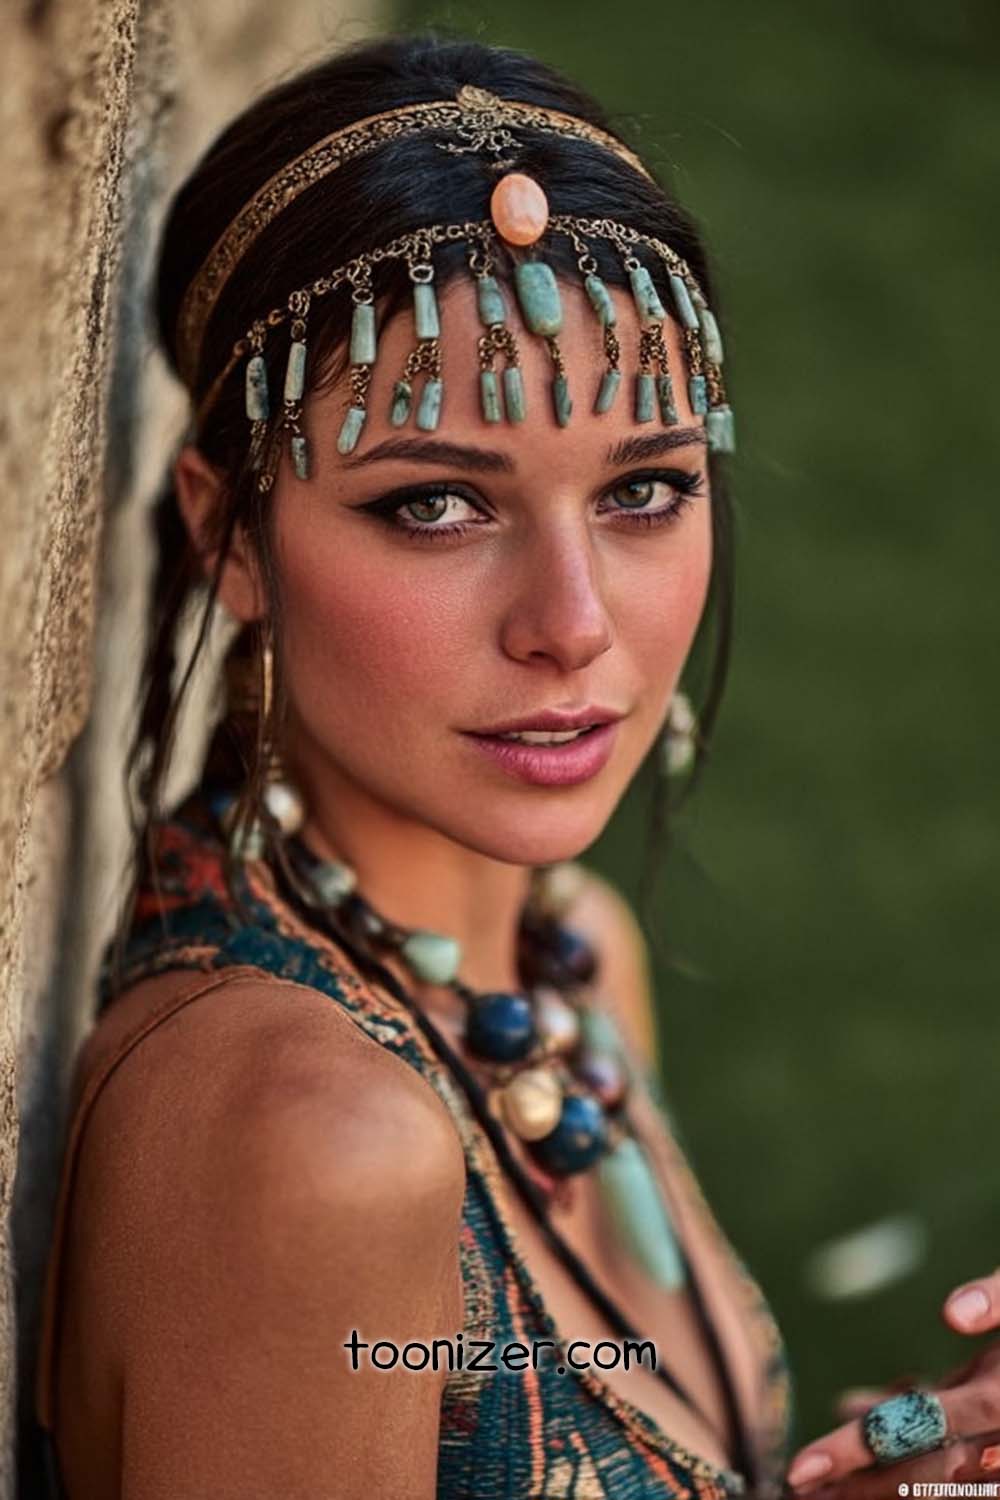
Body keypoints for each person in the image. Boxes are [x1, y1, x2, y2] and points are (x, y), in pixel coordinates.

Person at [34, 31, 1000, 1500]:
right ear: (232, 534)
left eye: (645, 488)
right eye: (435, 504)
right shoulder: (315, 1140)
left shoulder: (569, 960)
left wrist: (929, 1452)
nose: (574, 623)